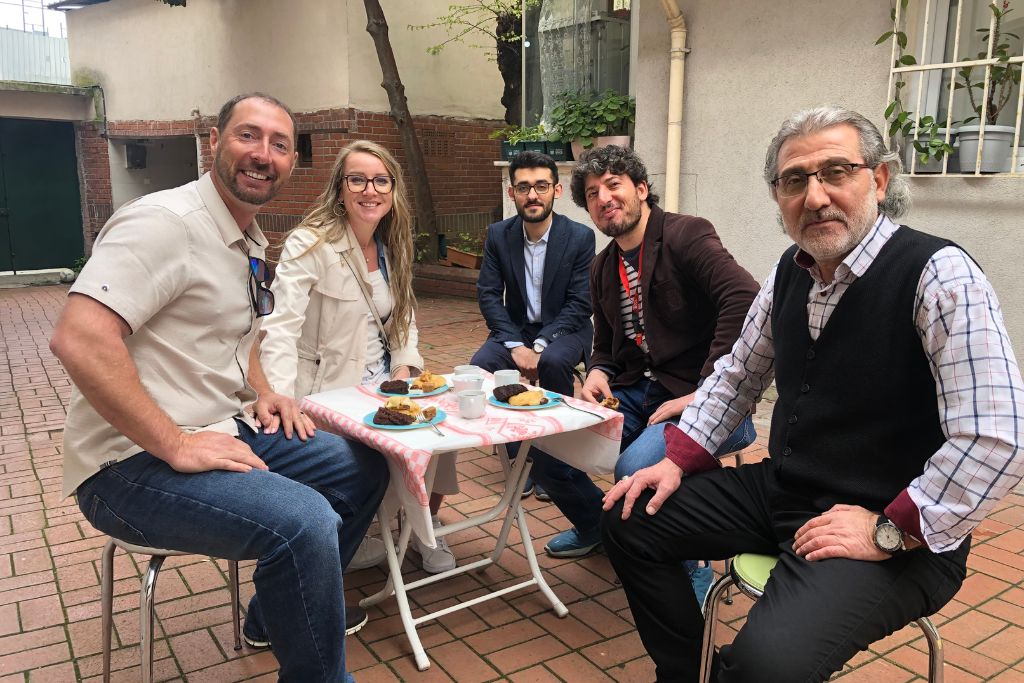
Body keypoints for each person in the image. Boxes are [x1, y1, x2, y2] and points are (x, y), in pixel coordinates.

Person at [601, 106, 1024, 683]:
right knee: (629, 517)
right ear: (778, 196)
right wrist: (678, 458)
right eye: (794, 180)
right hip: (790, 490)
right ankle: (687, 673)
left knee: (766, 666)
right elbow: (737, 374)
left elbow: (997, 435)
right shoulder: (791, 271)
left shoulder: (939, 275)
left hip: (897, 523)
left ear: (878, 179)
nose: (816, 196)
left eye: (837, 172)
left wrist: (891, 528)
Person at [51, 93, 388, 683]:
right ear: (213, 141)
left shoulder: (247, 239)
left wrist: (262, 390)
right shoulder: (164, 223)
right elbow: (79, 339)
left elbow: (245, 335)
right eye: (248, 136)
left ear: (291, 161)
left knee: (362, 468)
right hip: (127, 463)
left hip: (218, 427)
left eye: (280, 145)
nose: (263, 155)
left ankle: (270, 615)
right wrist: (176, 446)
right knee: (305, 521)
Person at [543, 146, 758, 599]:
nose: (603, 197)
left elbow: (744, 298)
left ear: (641, 189)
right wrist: (599, 371)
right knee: (546, 448)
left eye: (614, 184)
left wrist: (706, 390)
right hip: (638, 394)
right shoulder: (603, 266)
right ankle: (594, 527)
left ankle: (692, 567)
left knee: (635, 467)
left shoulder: (686, 235)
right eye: (592, 193)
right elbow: (604, 343)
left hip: (707, 402)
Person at [256, 139, 460, 575]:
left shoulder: (392, 244)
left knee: (442, 431)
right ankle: (378, 530)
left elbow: (403, 318)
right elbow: (280, 326)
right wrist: (279, 396)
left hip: (384, 383)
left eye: (381, 180)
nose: (370, 190)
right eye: (358, 179)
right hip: (330, 390)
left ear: (392, 190)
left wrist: (406, 365)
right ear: (340, 189)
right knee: (382, 453)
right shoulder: (309, 244)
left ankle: (422, 528)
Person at [469, 151, 595, 500]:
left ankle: (552, 464)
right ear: (512, 193)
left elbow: (580, 303)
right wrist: (516, 345)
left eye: (541, 186)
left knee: (554, 362)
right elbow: (490, 295)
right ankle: (517, 459)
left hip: (565, 330)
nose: (532, 195)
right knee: (482, 366)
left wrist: (538, 346)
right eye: (523, 187)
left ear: (556, 190)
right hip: (516, 329)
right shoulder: (499, 235)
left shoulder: (580, 237)